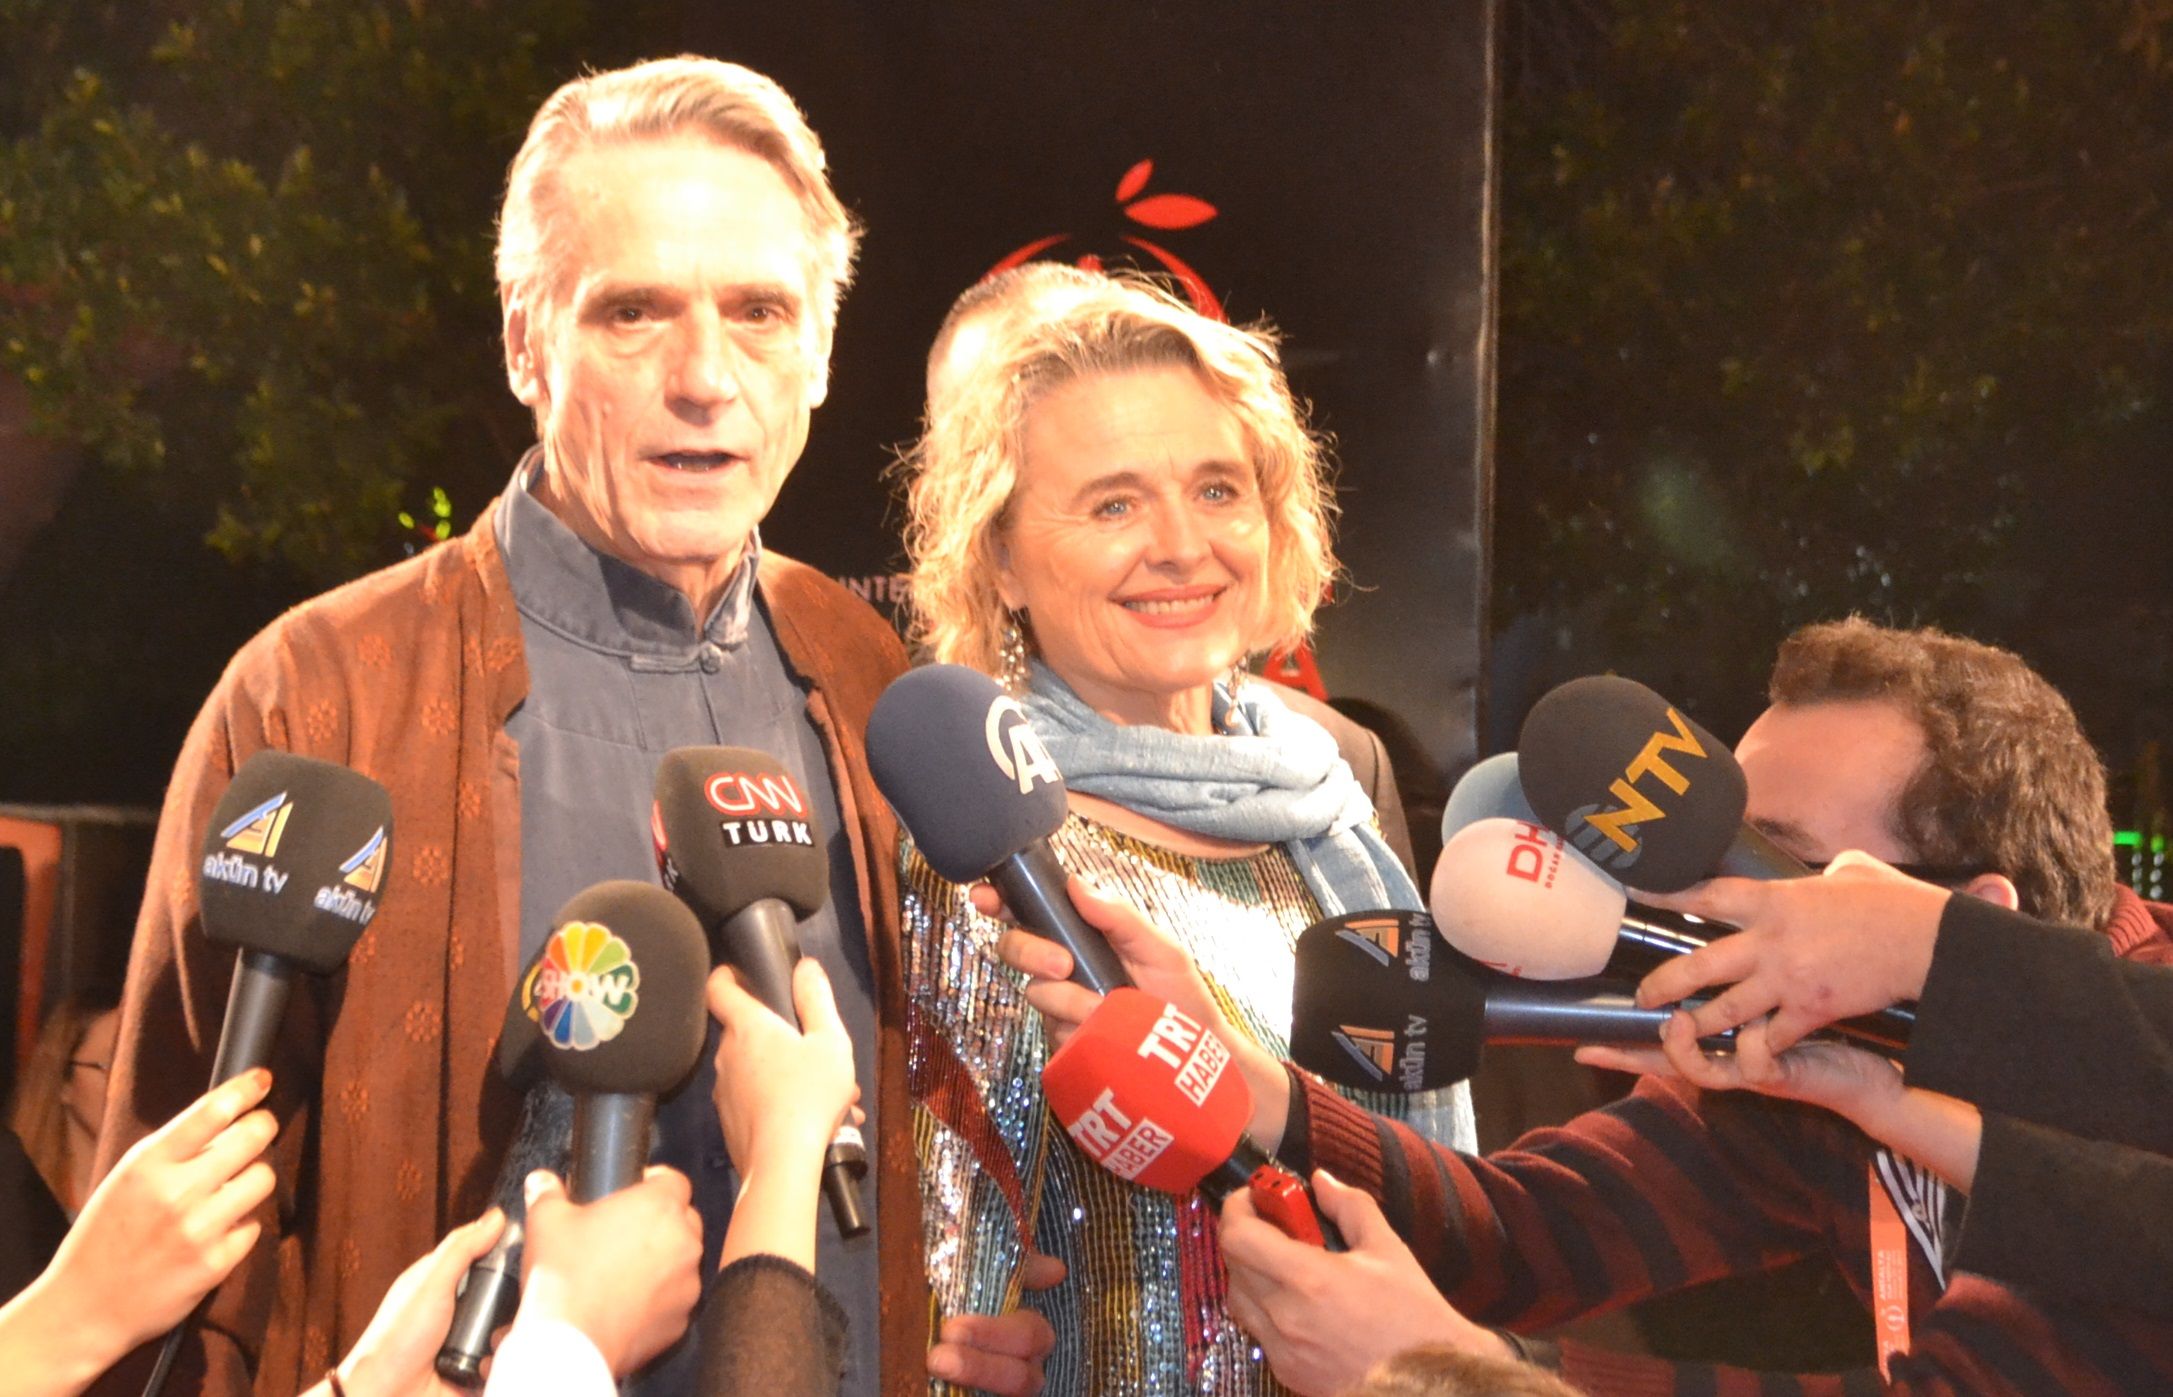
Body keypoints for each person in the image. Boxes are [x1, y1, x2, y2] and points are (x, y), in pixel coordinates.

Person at [93, 56, 1046, 1397]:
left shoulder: (864, 668)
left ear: (823, 355)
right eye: (633, 312)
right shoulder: (319, 694)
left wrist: (965, 1303)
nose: (705, 377)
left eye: (760, 313)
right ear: (524, 345)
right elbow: (169, 1275)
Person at [994, 618, 2173, 1391]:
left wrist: (1451, 1370)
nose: (1706, 893)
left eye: (1774, 859)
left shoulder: (2122, 1099)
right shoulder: (1828, 1055)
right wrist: (1237, 1076)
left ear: (1964, 918)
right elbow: (1519, 1234)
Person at [896, 271, 1464, 1393]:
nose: (1180, 544)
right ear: (998, 557)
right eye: (1112, 505)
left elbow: (1455, 1193)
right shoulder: (985, 857)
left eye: (1216, 488)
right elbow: (950, 1272)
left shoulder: (1331, 810)